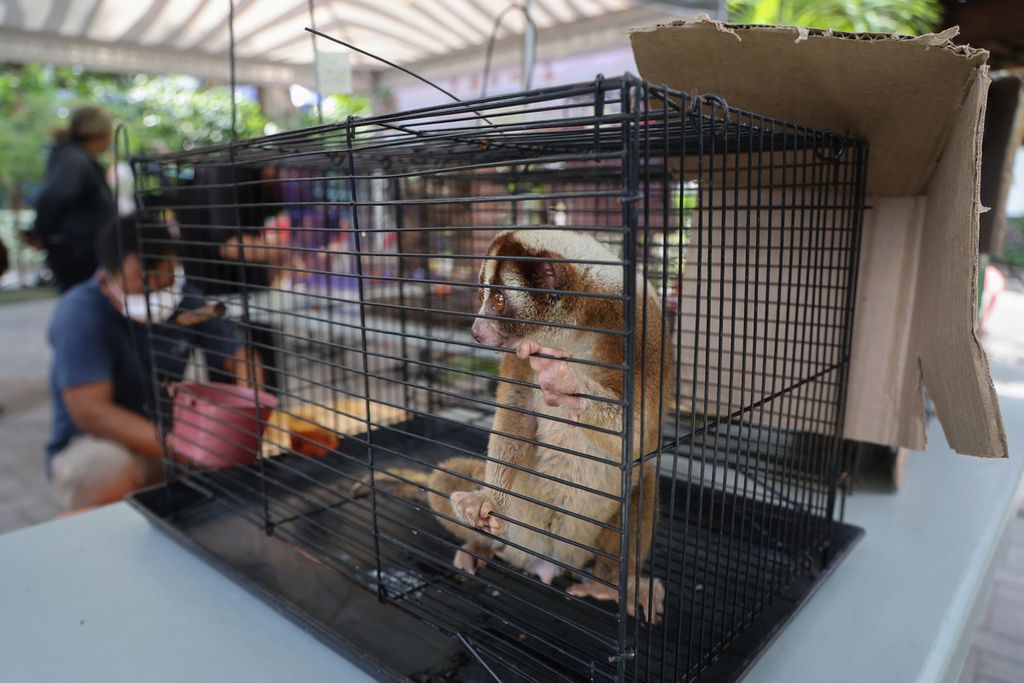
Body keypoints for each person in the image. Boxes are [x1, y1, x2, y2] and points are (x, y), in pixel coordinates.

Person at [46, 216, 259, 511]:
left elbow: (240, 356)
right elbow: (90, 412)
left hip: (169, 441)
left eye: (166, 277)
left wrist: (248, 409)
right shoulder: (80, 313)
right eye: (145, 282)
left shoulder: (186, 302)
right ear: (109, 275)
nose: (159, 291)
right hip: (98, 444)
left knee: (238, 466)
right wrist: (181, 447)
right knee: (106, 470)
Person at [31, 106, 117, 292]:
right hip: (77, 254)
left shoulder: (77, 157)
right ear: (101, 134)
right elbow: (57, 194)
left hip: (82, 252)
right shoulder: (74, 158)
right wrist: (41, 233)